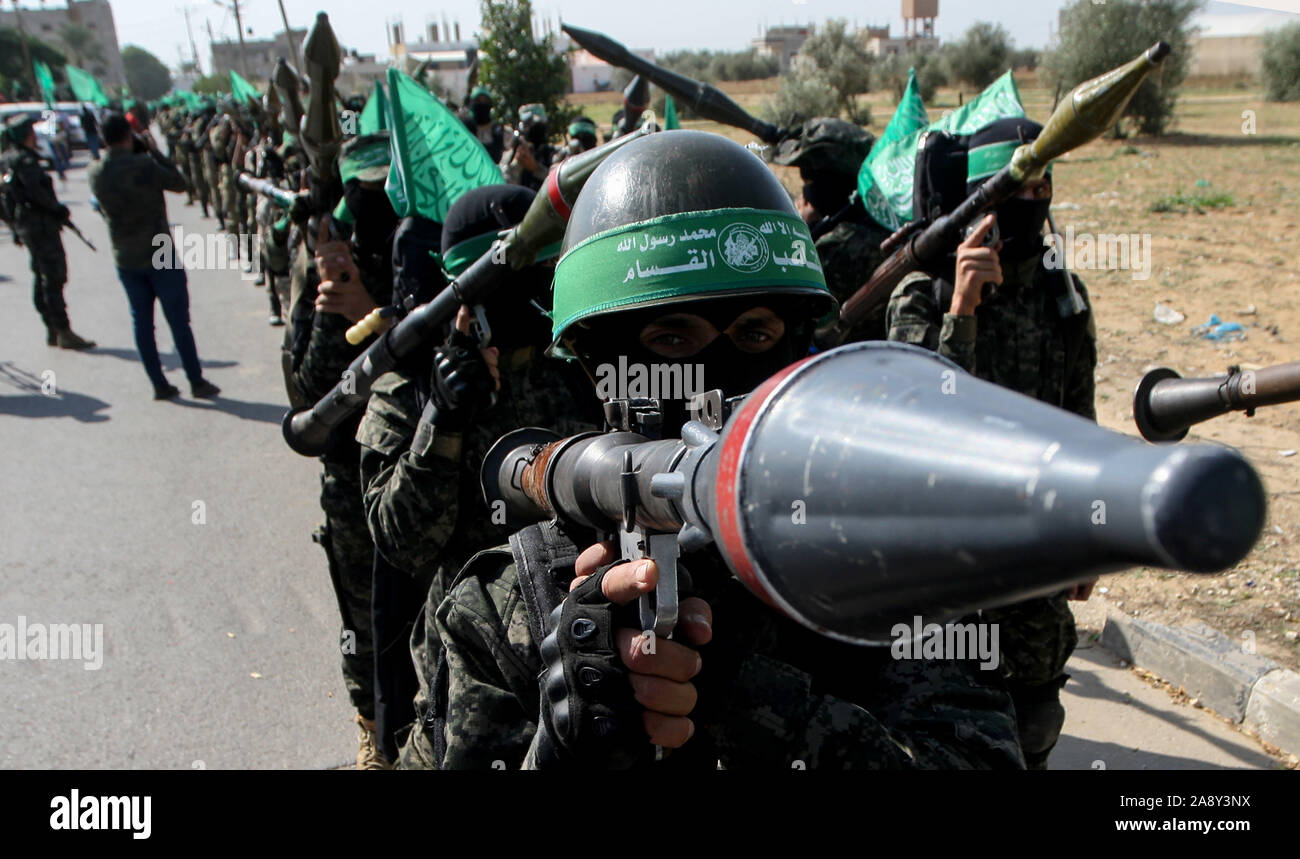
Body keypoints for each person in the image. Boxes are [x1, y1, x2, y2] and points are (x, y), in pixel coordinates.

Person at [431, 130, 1024, 770]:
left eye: (754, 334)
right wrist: (560, 747)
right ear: (596, 366)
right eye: (671, 340)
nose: (711, 382)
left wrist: (750, 699)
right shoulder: (507, 604)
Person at [355, 185, 602, 768]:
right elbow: (402, 541)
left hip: (591, 643)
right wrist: (443, 419)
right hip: (468, 671)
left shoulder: (584, 364)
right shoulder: (409, 390)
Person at [886, 117, 1098, 770]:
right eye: (1018, 191)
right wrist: (963, 314)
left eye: (1044, 188)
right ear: (982, 201)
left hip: (1031, 544)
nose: (1034, 204)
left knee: (1036, 717)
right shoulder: (923, 294)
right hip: (940, 554)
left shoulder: (1062, 295)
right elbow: (916, 420)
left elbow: (1079, 416)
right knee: (943, 730)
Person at [88, 113, 220, 400]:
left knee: (142, 323)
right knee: (178, 321)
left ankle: (159, 384)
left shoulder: (95, 172)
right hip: (159, 251)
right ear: (127, 135)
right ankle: (196, 381)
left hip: (125, 255)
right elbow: (180, 182)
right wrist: (154, 151)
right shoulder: (144, 165)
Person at [773, 117, 893, 343]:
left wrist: (801, 230)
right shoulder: (882, 221)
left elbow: (784, 301)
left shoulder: (837, 247)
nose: (803, 194)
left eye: (808, 183)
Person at [0, 115, 95, 349]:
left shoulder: (7, 160)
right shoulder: (25, 161)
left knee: (41, 275)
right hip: (40, 225)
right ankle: (62, 330)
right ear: (26, 135)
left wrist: (14, 227)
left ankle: (52, 327)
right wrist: (58, 210)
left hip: (27, 225)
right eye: (31, 130)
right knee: (53, 277)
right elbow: (36, 194)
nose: (35, 134)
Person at [499, 103, 556, 191]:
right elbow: (502, 184)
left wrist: (535, 168)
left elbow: (559, 182)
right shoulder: (511, 154)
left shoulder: (553, 154)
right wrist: (517, 163)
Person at [460, 86, 505, 163]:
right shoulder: (464, 127)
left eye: (485, 101)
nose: (482, 104)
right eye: (478, 100)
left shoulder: (497, 130)